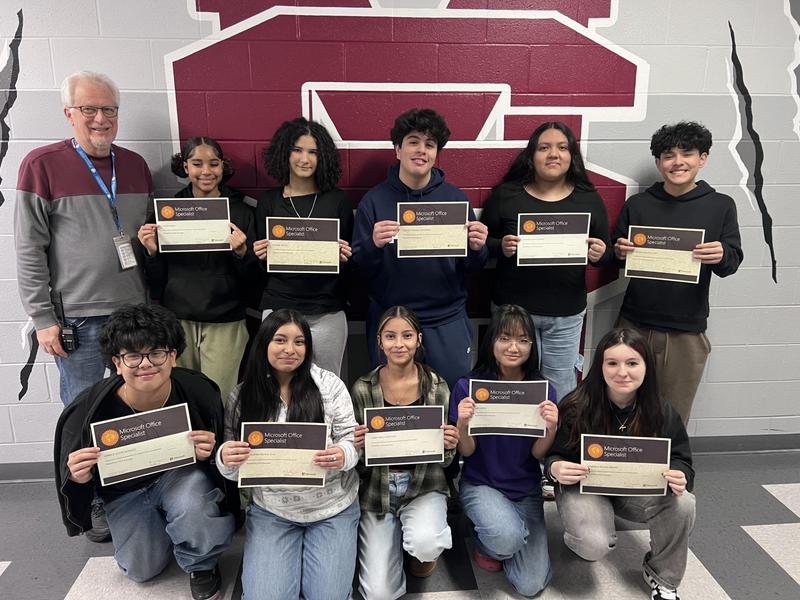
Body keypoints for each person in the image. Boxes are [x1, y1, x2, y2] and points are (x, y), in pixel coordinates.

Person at [53, 304, 236, 600]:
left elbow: (221, 466)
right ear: (117, 362)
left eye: (157, 353)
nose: (146, 364)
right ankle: (167, 525)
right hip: (125, 492)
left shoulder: (198, 391)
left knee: (193, 505)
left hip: (179, 477)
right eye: (133, 355)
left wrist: (212, 453)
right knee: (141, 570)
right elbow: (75, 487)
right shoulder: (89, 409)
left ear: (173, 356)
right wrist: (79, 477)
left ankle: (201, 563)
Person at [15, 71, 152, 406]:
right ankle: (82, 462)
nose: (101, 119)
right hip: (78, 318)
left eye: (110, 110)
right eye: (89, 109)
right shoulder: (41, 165)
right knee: (84, 407)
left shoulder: (136, 166)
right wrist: (43, 318)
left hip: (134, 312)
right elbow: (29, 248)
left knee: (134, 406)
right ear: (69, 113)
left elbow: (148, 240)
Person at [216, 309, 359, 600]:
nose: (290, 350)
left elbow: (352, 439)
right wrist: (225, 458)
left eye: (299, 342)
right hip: (273, 510)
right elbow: (232, 467)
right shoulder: (243, 395)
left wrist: (344, 455)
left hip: (332, 507)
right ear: (264, 343)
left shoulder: (329, 385)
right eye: (280, 340)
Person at [545, 328, 695, 600]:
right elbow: (553, 455)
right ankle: (581, 530)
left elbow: (682, 459)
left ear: (646, 367)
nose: (622, 372)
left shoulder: (660, 410)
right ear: (600, 366)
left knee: (684, 502)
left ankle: (663, 577)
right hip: (584, 488)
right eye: (612, 363)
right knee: (593, 546)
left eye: (632, 363)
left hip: (635, 492)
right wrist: (555, 468)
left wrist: (681, 474)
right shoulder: (576, 406)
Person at [612, 121, 743, 423]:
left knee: (672, 415)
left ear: (703, 158)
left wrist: (722, 254)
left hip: (686, 331)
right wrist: (618, 252)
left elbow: (732, 262)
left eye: (687, 153)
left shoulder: (721, 206)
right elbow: (616, 256)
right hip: (633, 323)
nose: (678, 162)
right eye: (668, 155)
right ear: (658, 162)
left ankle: (667, 469)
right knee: (619, 405)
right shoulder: (639, 204)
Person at [351, 108, 488, 389]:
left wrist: (477, 248)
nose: (421, 150)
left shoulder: (455, 200)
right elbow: (358, 270)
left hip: (445, 319)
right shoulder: (374, 202)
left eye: (430, 144)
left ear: (437, 153)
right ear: (398, 149)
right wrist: (373, 246)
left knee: (451, 403)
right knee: (395, 412)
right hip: (391, 321)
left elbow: (473, 267)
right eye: (413, 141)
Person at [480, 121, 612, 402]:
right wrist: (500, 246)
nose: (554, 154)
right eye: (544, 148)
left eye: (562, 148)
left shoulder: (588, 199)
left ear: (571, 156)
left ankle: (554, 445)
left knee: (560, 387)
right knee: (510, 384)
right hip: (512, 311)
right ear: (532, 155)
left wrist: (601, 253)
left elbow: (607, 253)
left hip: (564, 314)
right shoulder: (506, 195)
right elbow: (481, 245)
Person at [137, 136, 257, 401]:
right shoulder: (167, 214)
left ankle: (221, 444)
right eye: (197, 164)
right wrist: (152, 253)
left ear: (223, 167)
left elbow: (255, 280)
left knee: (220, 397)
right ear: (185, 167)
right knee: (182, 394)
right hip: (178, 319)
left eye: (214, 164)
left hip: (226, 320)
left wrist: (242, 254)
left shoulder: (242, 213)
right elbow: (156, 282)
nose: (206, 172)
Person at [351, 306, 459, 597]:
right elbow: (358, 460)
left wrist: (450, 444)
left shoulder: (437, 386)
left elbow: (446, 460)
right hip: (377, 489)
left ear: (419, 340)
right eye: (390, 336)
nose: (399, 343)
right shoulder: (362, 387)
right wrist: (357, 445)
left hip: (424, 484)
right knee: (378, 593)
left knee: (426, 543)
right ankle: (394, 537)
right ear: (379, 341)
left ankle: (419, 548)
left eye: (407, 335)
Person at [450, 304, 557, 597]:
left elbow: (537, 455)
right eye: (505, 338)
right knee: (505, 538)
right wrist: (462, 423)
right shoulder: (467, 386)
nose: (514, 347)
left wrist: (552, 429)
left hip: (525, 490)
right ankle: (488, 537)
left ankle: (504, 534)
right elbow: (467, 453)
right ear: (491, 341)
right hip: (481, 484)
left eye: (523, 340)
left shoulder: (542, 390)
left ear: (532, 346)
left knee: (530, 584)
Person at [253, 118, 354, 376]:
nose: (304, 159)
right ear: (284, 153)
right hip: (279, 306)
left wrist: (345, 257)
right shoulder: (268, 201)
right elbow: (260, 267)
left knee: (328, 385)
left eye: (313, 152)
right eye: (297, 150)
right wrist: (259, 256)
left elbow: (351, 263)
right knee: (278, 382)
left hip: (327, 310)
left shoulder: (338, 200)